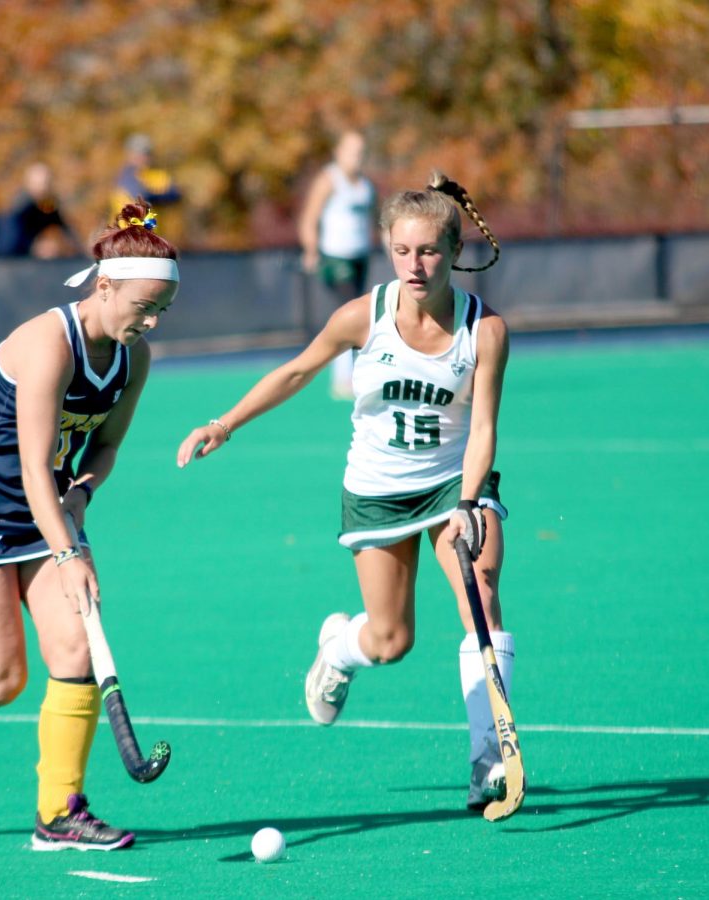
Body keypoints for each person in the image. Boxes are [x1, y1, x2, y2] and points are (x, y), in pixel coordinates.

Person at [178, 173, 511, 812]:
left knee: (484, 603)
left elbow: (484, 426)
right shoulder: (364, 316)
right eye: (403, 251)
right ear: (388, 248)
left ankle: (487, 760)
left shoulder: (486, 330)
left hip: (452, 482)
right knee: (391, 641)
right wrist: (224, 424)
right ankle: (338, 647)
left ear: (454, 249)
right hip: (378, 489)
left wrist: (469, 505)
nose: (416, 265)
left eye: (431, 251)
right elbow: (300, 369)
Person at [0, 199, 179, 851]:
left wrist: (83, 495)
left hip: (45, 504)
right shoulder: (48, 343)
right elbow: (28, 464)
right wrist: (69, 550)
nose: (152, 320)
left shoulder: (135, 358)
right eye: (143, 306)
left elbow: (102, 449)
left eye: (162, 309)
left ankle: (59, 812)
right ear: (106, 286)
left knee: (73, 649)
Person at [298, 130, 377, 399]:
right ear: (339, 152)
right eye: (352, 151)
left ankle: (353, 374)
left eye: (361, 152)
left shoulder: (365, 185)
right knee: (350, 311)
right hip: (335, 256)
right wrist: (311, 250)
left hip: (360, 255)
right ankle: (343, 378)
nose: (357, 157)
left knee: (358, 311)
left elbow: (375, 219)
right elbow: (310, 218)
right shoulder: (329, 180)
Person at [0, 161, 80, 258]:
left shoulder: (46, 206)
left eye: (47, 183)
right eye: (41, 183)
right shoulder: (20, 208)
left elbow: (67, 231)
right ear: (29, 183)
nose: (44, 188)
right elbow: (8, 244)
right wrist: (34, 248)